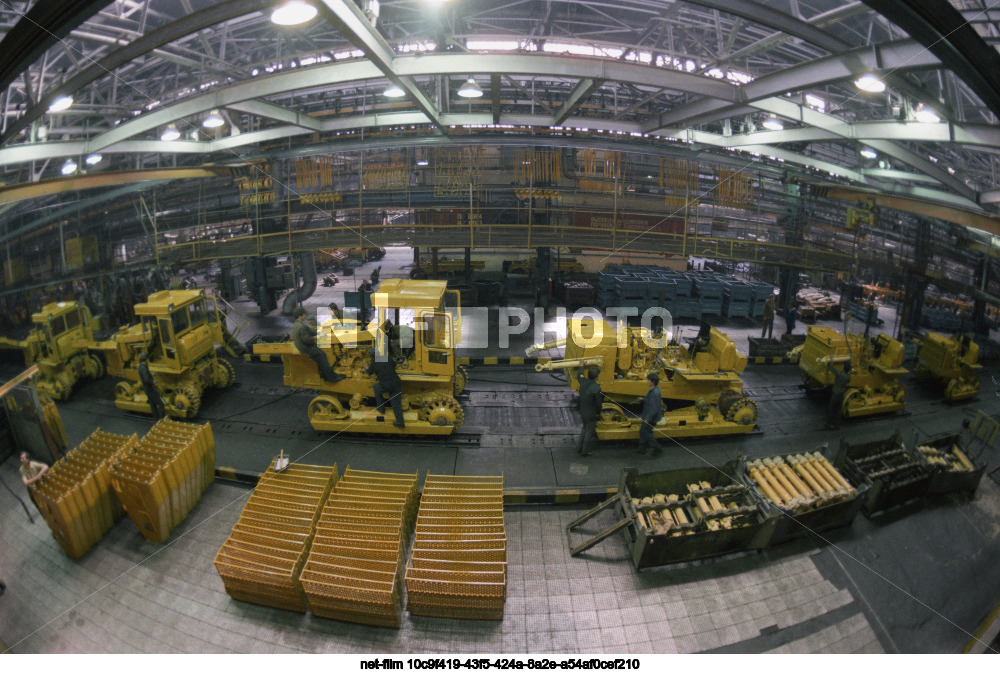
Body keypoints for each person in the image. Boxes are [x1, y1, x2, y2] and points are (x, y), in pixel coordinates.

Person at [292, 307, 345, 383]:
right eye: (304, 315)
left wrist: (321, 331)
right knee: (322, 355)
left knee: (321, 355)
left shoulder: (297, 324)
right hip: (306, 348)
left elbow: (310, 331)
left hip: (302, 347)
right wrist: (318, 336)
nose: (305, 316)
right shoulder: (301, 326)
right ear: (300, 316)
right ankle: (331, 377)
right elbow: (306, 339)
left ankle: (325, 375)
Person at [366, 349, 405, 428]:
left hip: (386, 385)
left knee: (376, 388)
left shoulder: (373, 364)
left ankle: (381, 408)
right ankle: (400, 422)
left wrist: (366, 368)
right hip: (396, 382)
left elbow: (369, 372)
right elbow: (394, 365)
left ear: (372, 356)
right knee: (396, 403)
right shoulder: (387, 358)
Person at [576, 365, 603, 457]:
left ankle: (578, 447)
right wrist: (599, 413)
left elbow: (579, 374)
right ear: (597, 377)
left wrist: (581, 365)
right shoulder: (596, 388)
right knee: (589, 432)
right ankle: (585, 451)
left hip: (582, 410)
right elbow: (598, 404)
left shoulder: (583, 382)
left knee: (584, 428)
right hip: (591, 413)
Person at [635, 373, 663, 457]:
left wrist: (648, 418)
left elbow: (653, 408)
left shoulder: (654, 393)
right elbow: (651, 401)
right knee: (643, 432)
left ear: (652, 382)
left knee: (647, 433)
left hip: (651, 418)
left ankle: (657, 448)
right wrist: (643, 399)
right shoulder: (654, 390)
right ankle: (641, 449)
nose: (647, 381)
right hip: (649, 416)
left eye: (648, 380)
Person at [137, 352, 166, 420]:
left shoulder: (140, 367)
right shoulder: (144, 368)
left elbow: (145, 377)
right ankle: (163, 419)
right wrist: (153, 382)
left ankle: (156, 420)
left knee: (153, 405)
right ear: (146, 360)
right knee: (161, 404)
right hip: (151, 389)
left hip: (146, 389)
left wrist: (152, 375)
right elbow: (146, 379)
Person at [825, 361, 851, 430]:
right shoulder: (848, 377)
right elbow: (848, 380)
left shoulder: (840, 374)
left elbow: (831, 368)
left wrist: (831, 361)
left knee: (831, 409)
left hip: (835, 394)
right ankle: (837, 425)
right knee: (838, 410)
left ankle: (828, 424)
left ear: (843, 367)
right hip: (841, 395)